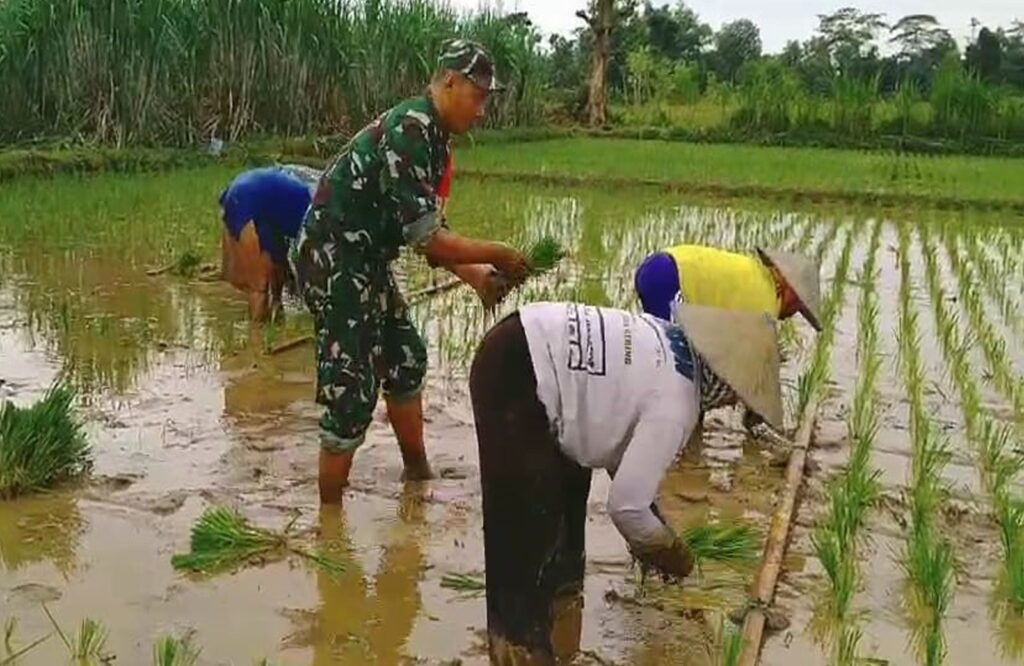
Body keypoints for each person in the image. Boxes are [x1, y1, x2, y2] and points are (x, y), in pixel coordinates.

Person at [469, 299, 783, 665]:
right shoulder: (678, 405)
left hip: (523, 337)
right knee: (525, 540)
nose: (730, 403)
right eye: (736, 395)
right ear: (728, 385)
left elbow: (622, 450)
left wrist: (654, 521)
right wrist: (670, 553)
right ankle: (520, 647)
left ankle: (562, 618)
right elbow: (626, 506)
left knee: (566, 516)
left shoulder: (667, 338)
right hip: (519, 375)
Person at [291, 39, 530, 503]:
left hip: (365, 260)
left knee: (405, 359)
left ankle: (417, 477)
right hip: (333, 259)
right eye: (477, 96)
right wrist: (498, 253)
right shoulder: (411, 128)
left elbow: (427, 229)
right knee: (352, 390)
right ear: (449, 81)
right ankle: (330, 521)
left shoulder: (436, 141)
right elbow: (430, 239)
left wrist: (478, 275)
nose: (481, 110)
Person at [635, 243, 819, 434]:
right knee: (678, 372)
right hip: (667, 280)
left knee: (692, 362)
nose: (792, 314)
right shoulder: (766, 304)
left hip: (659, 267)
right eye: (797, 307)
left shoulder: (756, 277)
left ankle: (687, 431)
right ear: (791, 292)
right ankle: (660, 432)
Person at [219, 164, 320, 322]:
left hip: (264, 205)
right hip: (251, 200)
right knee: (258, 285)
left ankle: (272, 313)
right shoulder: (318, 209)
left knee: (272, 265)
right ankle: (257, 337)